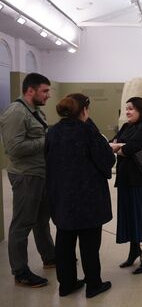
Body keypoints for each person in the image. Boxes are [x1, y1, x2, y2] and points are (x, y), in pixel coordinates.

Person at [45, 93, 114, 298]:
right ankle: (93, 284)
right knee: (89, 244)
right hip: (88, 197)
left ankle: (66, 284)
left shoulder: (53, 131)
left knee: (64, 242)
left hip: (62, 196)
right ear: (84, 110)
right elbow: (107, 160)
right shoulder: (87, 131)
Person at [0, 72, 55, 287]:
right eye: (45, 91)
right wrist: (46, 141)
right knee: (22, 224)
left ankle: (49, 257)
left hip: (40, 174)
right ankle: (20, 271)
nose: (48, 95)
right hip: (26, 175)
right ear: (30, 90)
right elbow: (13, 148)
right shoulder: (16, 112)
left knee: (42, 219)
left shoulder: (35, 111)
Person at [111, 97, 142, 274]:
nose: (127, 112)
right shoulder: (126, 127)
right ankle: (134, 251)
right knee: (131, 216)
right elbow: (113, 144)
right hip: (126, 179)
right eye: (126, 109)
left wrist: (121, 147)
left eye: (131, 109)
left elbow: (129, 148)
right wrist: (120, 147)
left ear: (141, 109)